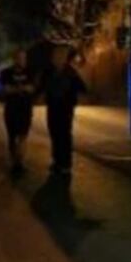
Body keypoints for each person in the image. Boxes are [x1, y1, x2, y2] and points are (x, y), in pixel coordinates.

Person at [39, 43, 87, 176]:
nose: (57, 58)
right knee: (54, 134)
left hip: (65, 109)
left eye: (60, 55)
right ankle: (56, 161)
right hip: (52, 108)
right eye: (55, 55)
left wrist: (72, 95)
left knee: (64, 135)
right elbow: (41, 87)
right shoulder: (48, 71)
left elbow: (82, 88)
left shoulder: (71, 72)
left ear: (64, 58)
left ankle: (66, 164)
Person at [0, 48, 36, 175]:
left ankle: (20, 162)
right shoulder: (6, 73)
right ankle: (14, 162)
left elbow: (32, 89)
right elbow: (5, 89)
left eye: (24, 58)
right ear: (14, 59)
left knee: (23, 136)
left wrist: (16, 89)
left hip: (25, 109)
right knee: (12, 137)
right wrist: (22, 89)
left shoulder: (31, 72)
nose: (22, 60)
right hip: (11, 110)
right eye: (19, 58)